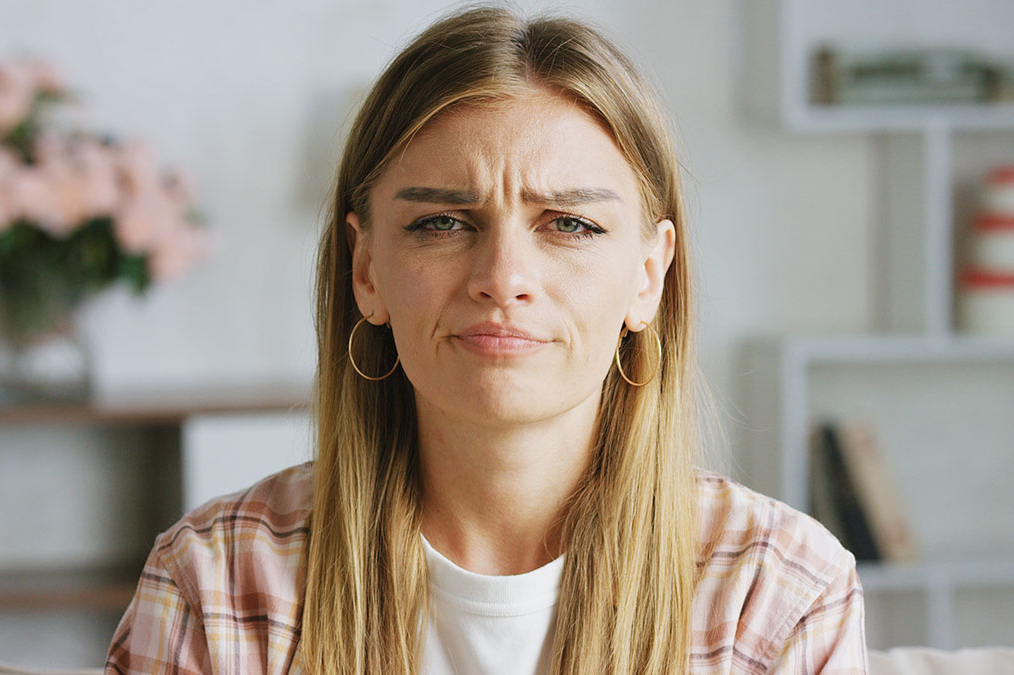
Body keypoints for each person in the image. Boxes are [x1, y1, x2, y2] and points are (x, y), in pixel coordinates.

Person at [105, 5, 867, 674]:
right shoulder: (216, 582)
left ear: (648, 276)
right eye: (442, 222)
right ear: (366, 269)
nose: (503, 278)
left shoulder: (778, 593)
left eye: (570, 224)